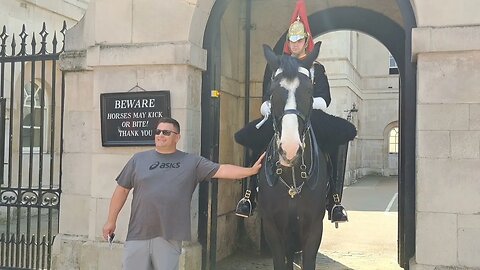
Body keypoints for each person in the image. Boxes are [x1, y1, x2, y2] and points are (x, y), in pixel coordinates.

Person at [234, 0, 356, 225]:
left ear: (306, 41)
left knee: (344, 132)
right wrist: (267, 106)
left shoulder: (316, 68)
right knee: (249, 135)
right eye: (291, 40)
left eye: (299, 39)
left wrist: (308, 103)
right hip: (280, 114)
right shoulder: (278, 66)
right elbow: (267, 94)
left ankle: (335, 199)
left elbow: (324, 97)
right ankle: (249, 195)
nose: (295, 43)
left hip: (309, 114)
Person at [102, 117, 264, 270]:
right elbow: (121, 190)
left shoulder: (192, 162)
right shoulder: (138, 159)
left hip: (169, 235)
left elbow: (222, 169)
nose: (160, 135)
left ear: (177, 137)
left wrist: (250, 171)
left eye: (166, 132)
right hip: (138, 233)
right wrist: (111, 221)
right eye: (158, 131)